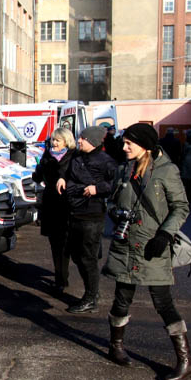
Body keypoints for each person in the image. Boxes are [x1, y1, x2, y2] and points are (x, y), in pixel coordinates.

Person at [100, 123, 191, 380]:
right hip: (125, 244)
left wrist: (165, 235)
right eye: (124, 142)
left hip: (153, 245)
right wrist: (114, 212)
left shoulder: (166, 171)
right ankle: (116, 347)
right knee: (121, 299)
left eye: (130, 143)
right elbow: (111, 199)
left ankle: (185, 361)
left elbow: (181, 207)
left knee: (163, 303)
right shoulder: (123, 169)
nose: (124, 146)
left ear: (145, 146)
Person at [57, 126, 117, 313]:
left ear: (93, 141)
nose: (79, 140)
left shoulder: (106, 161)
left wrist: (97, 189)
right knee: (77, 255)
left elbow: (115, 184)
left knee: (87, 257)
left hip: (92, 215)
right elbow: (64, 169)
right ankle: (92, 290)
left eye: (83, 138)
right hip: (74, 212)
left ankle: (90, 297)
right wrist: (61, 178)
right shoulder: (76, 156)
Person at [32, 127, 74, 289]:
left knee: (67, 243)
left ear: (66, 141)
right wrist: (39, 169)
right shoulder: (47, 155)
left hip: (68, 204)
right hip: (50, 203)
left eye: (57, 140)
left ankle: (63, 274)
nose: (54, 143)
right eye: (52, 140)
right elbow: (38, 176)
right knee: (55, 243)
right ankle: (60, 277)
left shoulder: (73, 156)